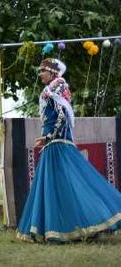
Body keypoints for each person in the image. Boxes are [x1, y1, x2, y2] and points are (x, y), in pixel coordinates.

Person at [16, 58, 121, 243]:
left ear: (53, 73)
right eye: (39, 71)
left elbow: (62, 115)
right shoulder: (52, 88)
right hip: (52, 144)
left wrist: (49, 137)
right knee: (57, 187)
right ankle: (60, 228)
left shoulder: (58, 85)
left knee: (71, 183)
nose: (39, 74)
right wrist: (46, 137)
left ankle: (91, 220)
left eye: (43, 71)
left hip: (58, 143)